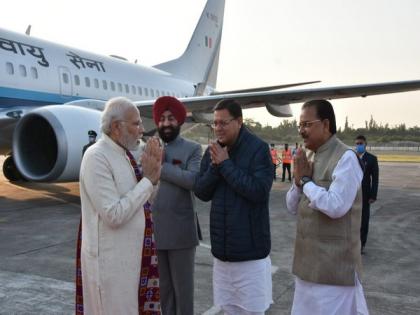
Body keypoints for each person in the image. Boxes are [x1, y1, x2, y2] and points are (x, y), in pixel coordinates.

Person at [76, 97, 162, 315]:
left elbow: (142, 203)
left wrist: (154, 177)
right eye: (136, 123)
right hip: (110, 268)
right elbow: (113, 215)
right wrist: (147, 181)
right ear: (116, 127)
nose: (142, 130)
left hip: (130, 264)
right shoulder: (97, 156)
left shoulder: (122, 154)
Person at [286, 99, 369, 315]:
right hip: (307, 268)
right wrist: (297, 184)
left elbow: (337, 206)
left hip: (334, 272)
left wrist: (306, 183)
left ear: (325, 124)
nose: (301, 131)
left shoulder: (346, 158)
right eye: (299, 125)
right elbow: (291, 206)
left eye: (306, 124)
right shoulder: (309, 156)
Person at [194, 99, 274, 315]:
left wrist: (226, 164)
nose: (218, 128)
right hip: (222, 256)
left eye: (223, 123)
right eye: (215, 123)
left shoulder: (258, 149)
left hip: (251, 258)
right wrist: (215, 166)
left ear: (239, 121)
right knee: (228, 310)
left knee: (252, 311)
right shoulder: (214, 151)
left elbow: (258, 191)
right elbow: (201, 191)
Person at [151, 96, 203, 315]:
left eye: (171, 118)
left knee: (183, 292)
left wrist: (161, 166)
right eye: (162, 119)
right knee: (164, 292)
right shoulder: (149, 147)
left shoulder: (193, 149)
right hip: (155, 231)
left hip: (181, 233)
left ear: (180, 121)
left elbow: (193, 180)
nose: (165, 123)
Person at [355, 135, 379, 254]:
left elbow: (375, 179)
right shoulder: (352, 157)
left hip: (365, 194)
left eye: (361, 143)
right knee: (352, 219)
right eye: (357, 143)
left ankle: (361, 244)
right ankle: (352, 243)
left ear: (365, 144)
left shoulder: (372, 159)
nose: (359, 145)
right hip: (352, 193)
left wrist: (373, 195)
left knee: (364, 219)